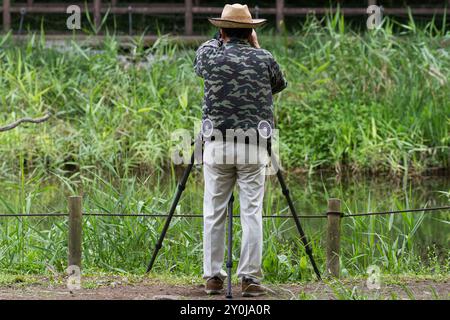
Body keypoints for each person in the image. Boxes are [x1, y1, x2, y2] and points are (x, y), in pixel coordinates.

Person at [194, 3, 287, 297]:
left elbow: (200, 61)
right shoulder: (264, 58)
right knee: (252, 213)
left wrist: (218, 38)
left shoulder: (209, 55)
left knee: (213, 212)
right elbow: (279, 84)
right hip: (253, 147)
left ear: (221, 30)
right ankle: (250, 279)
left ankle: (213, 277)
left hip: (217, 146)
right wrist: (255, 47)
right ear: (251, 32)